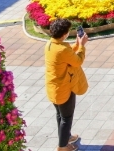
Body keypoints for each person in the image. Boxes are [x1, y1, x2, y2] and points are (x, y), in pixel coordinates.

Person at [44, 18, 88, 151]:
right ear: (64, 34)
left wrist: (76, 45)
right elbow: (77, 61)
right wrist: (82, 46)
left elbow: (66, 55)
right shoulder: (62, 49)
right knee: (66, 118)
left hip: (54, 88)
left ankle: (66, 137)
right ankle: (62, 147)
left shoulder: (50, 44)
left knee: (60, 116)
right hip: (64, 90)